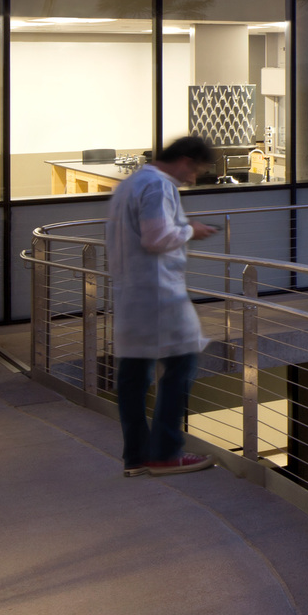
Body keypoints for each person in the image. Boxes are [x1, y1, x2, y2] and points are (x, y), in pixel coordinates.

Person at [107, 135, 220, 478]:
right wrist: (190, 230)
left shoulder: (129, 185)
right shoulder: (159, 186)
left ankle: (136, 456)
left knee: (133, 376)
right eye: (196, 171)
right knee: (182, 363)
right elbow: (155, 238)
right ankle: (166, 453)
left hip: (131, 295)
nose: (193, 180)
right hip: (159, 295)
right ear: (186, 161)